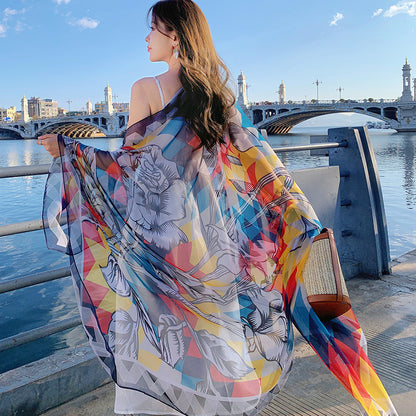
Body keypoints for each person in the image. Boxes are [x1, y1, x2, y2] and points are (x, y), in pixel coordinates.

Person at [37, 1, 397, 415]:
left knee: (155, 341)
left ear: (175, 36)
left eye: (153, 29)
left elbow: (130, 169)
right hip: (212, 244)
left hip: (159, 247)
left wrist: (70, 150)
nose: (147, 38)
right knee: (212, 341)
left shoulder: (146, 89)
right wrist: (299, 217)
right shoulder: (218, 98)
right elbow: (257, 164)